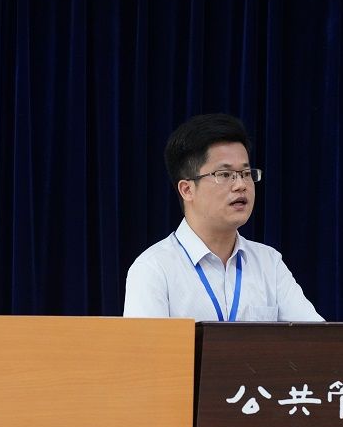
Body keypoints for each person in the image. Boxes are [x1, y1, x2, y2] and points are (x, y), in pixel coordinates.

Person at [123, 113, 323, 322]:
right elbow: (147, 345)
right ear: (187, 190)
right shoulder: (153, 269)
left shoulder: (268, 263)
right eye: (225, 175)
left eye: (246, 173)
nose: (241, 185)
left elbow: (317, 338)